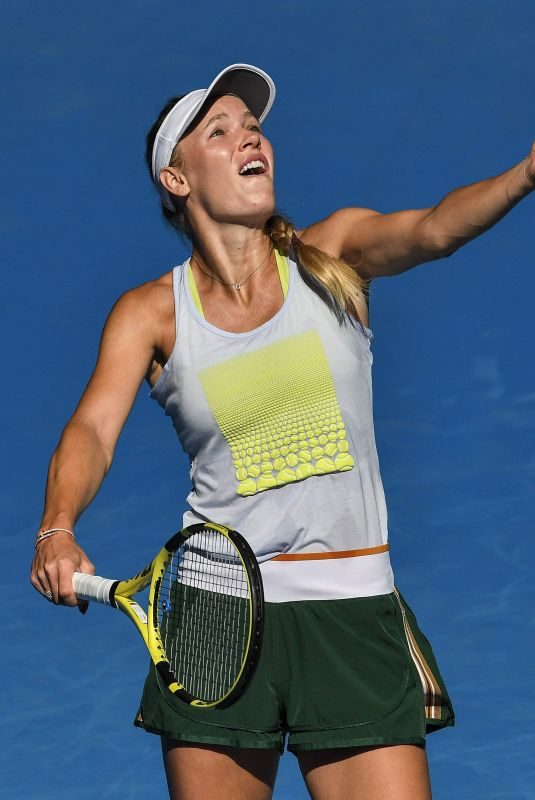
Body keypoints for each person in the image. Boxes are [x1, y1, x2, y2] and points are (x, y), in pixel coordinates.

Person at [30, 63, 534, 800]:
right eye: (221, 130)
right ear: (177, 179)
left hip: (351, 611)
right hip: (214, 623)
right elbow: (92, 432)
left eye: (253, 126)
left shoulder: (330, 255)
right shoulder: (150, 313)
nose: (249, 136)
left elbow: (432, 230)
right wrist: (56, 526)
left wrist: (523, 174)